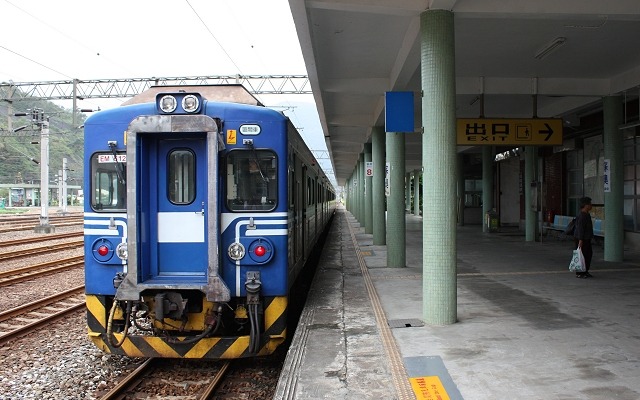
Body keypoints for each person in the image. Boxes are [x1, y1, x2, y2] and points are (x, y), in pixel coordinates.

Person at [573, 196, 594, 278]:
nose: (591, 205)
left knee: (586, 255)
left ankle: (583, 271)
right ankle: (581, 272)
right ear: (586, 205)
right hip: (582, 239)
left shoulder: (586, 214)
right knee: (583, 255)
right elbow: (581, 229)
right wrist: (580, 240)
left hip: (585, 238)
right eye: (590, 204)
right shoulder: (582, 216)